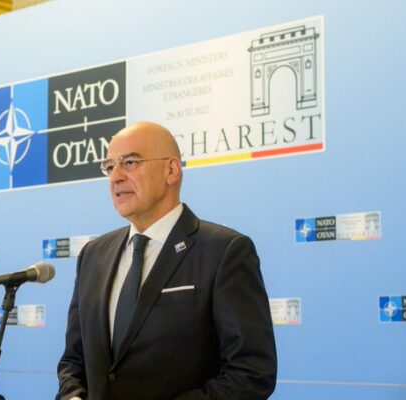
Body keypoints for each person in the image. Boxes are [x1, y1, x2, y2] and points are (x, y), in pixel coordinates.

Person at [56, 122, 277, 400]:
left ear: (171, 170)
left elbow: (251, 372)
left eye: (130, 162)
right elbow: (73, 360)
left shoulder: (224, 251)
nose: (116, 177)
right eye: (109, 166)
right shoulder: (93, 254)